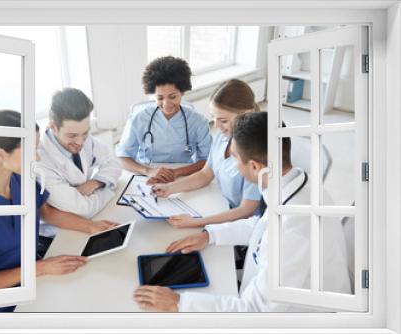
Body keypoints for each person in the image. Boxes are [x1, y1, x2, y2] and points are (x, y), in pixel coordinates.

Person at [133, 111, 351, 312]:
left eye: (235, 157)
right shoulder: (294, 183)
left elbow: (256, 310)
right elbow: (261, 225)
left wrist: (180, 303)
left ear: (255, 166)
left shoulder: (294, 228)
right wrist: (210, 235)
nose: (233, 163)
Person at [0, 110, 115, 312]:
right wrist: (42, 267)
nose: (36, 156)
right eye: (30, 150)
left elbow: (47, 212)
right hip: (2, 305)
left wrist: (91, 227)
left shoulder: (21, 180)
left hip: (37, 279)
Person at [151, 79, 261, 229]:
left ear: (246, 115)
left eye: (223, 120)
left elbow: (246, 211)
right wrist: (171, 188)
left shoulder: (257, 152)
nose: (216, 126)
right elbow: (205, 175)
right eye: (214, 118)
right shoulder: (222, 137)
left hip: (243, 224)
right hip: (219, 205)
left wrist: (197, 222)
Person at [115, 56, 212, 185]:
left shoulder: (198, 122)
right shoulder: (139, 119)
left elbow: (208, 160)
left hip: (184, 175)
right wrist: (148, 171)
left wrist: (176, 173)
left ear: (182, 92)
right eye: (160, 97)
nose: (166, 104)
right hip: (145, 175)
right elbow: (122, 157)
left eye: (172, 96)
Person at [38, 88, 122, 219]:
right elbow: (83, 209)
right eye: (72, 136)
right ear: (53, 127)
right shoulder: (41, 161)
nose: (80, 142)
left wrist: (95, 183)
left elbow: (114, 162)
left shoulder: (82, 137)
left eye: (85, 133)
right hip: (59, 233)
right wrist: (110, 188)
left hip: (95, 215)